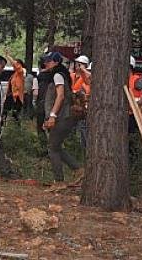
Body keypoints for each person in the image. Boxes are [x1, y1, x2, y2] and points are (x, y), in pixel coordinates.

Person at [41, 51, 81, 184]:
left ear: (56, 62)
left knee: (52, 148)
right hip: (62, 117)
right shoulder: (60, 75)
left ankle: (59, 180)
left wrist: (52, 116)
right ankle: (78, 169)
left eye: (49, 61)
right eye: (45, 60)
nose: (46, 63)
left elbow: (60, 96)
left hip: (62, 117)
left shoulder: (58, 75)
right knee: (56, 146)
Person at [71, 55, 92, 150]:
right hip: (73, 106)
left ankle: (84, 149)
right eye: (76, 63)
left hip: (82, 108)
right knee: (72, 129)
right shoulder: (72, 75)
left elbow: (88, 88)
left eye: (79, 64)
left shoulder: (86, 78)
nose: (77, 66)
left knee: (83, 129)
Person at [33, 59, 51, 153]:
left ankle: (43, 149)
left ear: (40, 66)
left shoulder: (38, 78)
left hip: (41, 105)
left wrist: (34, 101)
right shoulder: (54, 77)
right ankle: (54, 149)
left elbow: (35, 93)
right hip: (53, 106)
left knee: (40, 127)